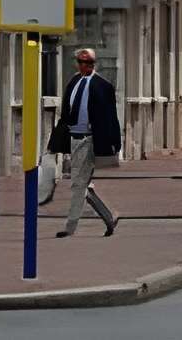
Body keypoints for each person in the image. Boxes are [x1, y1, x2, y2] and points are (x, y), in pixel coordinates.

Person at [50, 46, 120, 239]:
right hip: (73, 138)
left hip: (89, 140)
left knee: (78, 184)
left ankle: (70, 227)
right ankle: (109, 217)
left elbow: (111, 117)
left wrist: (115, 143)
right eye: (81, 62)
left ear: (93, 64)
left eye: (88, 62)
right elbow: (65, 114)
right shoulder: (73, 82)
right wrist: (55, 141)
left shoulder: (102, 86)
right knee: (83, 185)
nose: (84, 65)